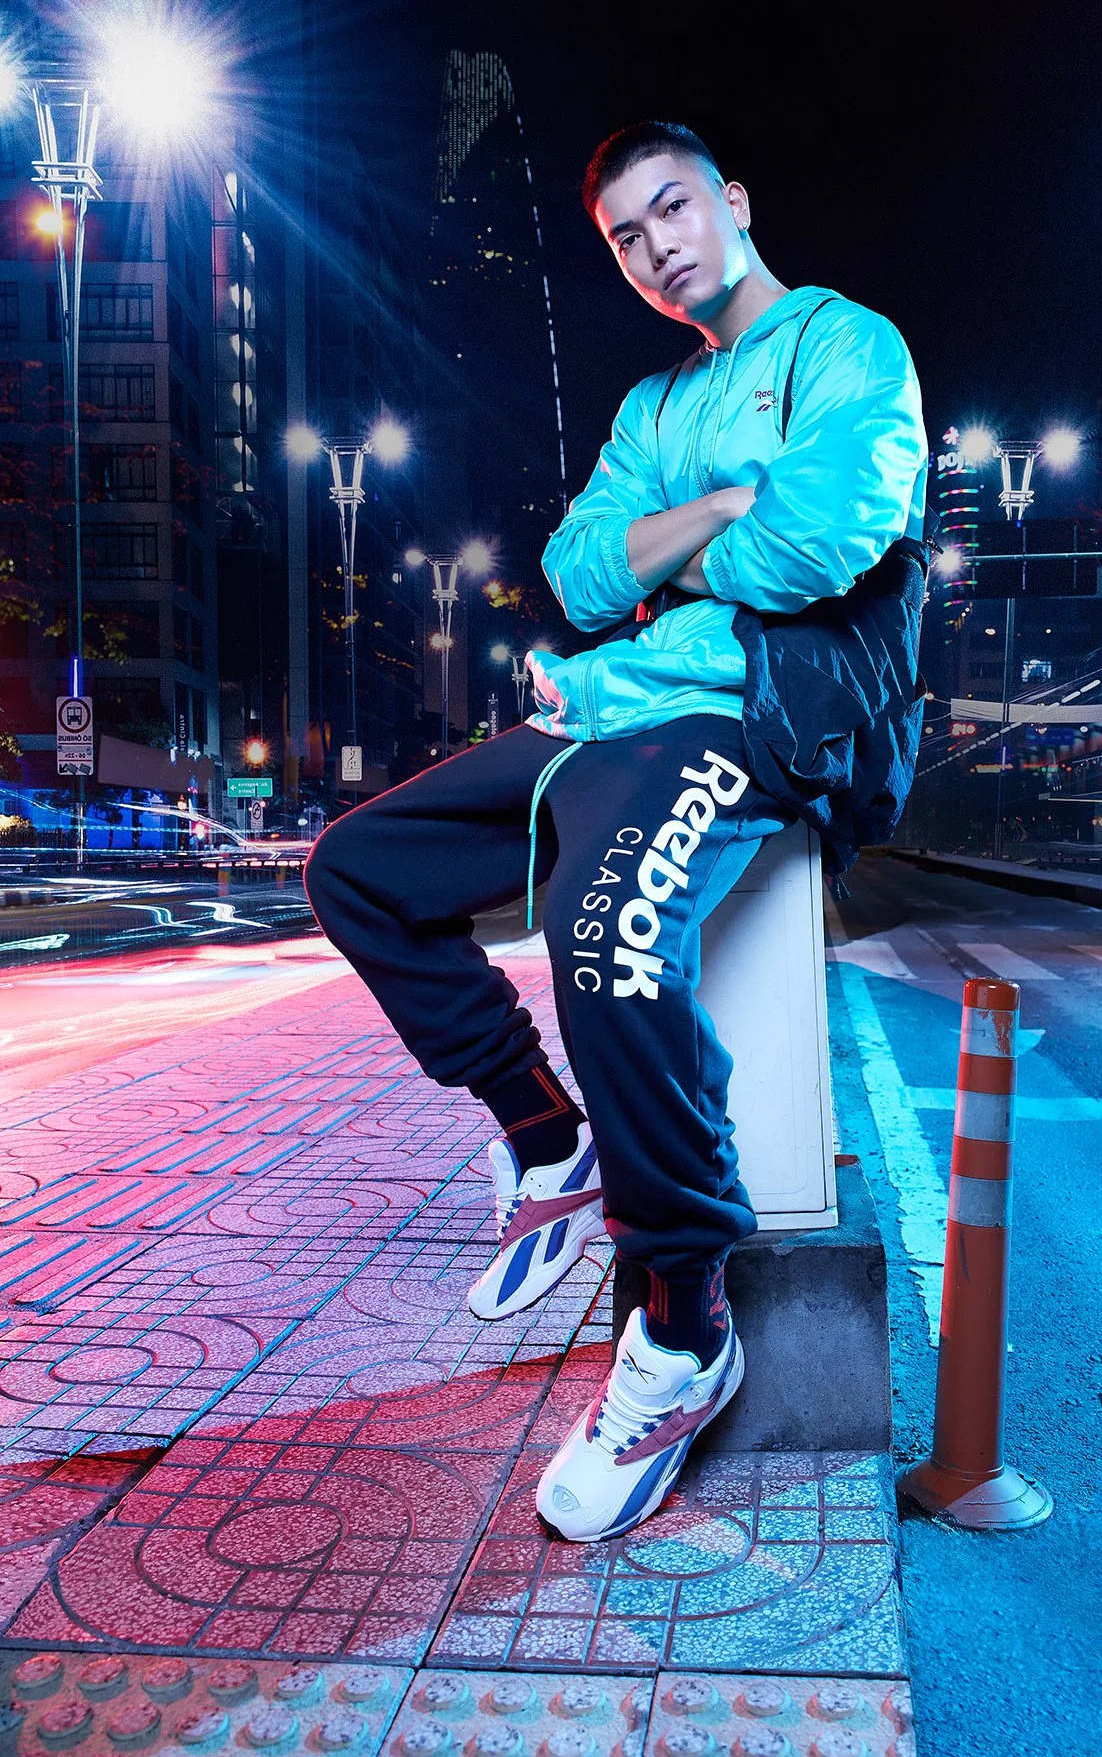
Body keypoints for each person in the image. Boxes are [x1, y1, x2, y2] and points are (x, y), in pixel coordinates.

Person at [304, 120, 927, 1542]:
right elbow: (580, 574)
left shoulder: (846, 347)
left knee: (608, 942)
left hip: (741, 716)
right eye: (627, 237)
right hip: (608, 707)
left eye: (674, 209)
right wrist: (726, 502)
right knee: (359, 869)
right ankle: (545, 1133)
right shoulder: (655, 408)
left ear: (733, 201)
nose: (657, 249)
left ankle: (683, 1328)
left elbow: (823, 542)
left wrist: (687, 541)